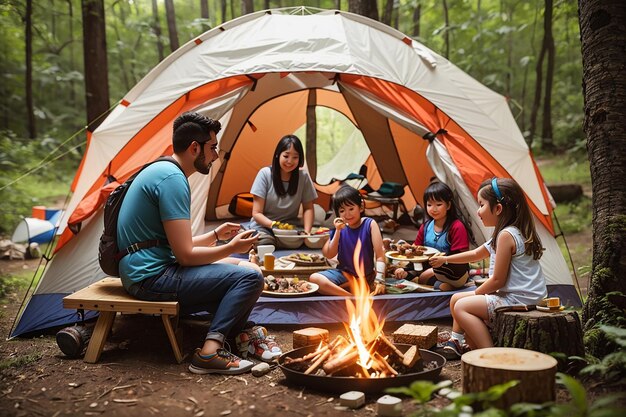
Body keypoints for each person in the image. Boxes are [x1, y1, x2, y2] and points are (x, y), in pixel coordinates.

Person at [118, 112, 282, 375]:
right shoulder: (173, 180)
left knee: (243, 269)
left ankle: (241, 337)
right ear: (195, 148)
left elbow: (174, 243)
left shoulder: (163, 169)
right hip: (151, 277)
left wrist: (217, 236)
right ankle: (209, 353)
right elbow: (185, 256)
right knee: (249, 279)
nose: (216, 155)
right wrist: (231, 247)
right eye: (213, 147)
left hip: (142, 270)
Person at [429, 177, 547, 359]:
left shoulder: (506, 236)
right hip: (524, 296)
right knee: (455, 299)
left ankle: (492, 355)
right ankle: (457, 342)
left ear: (498, 209)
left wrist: (478, 294)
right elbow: (476, 254)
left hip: (518, 300)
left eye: (481, 205)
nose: (478, 211)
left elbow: (497, 281)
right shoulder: (509, 231)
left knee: (461, 306)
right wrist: (445, 260)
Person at [309, 186, 386, 296]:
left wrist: (380, 279)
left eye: (351, 209)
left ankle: (348, 290)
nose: (347, 214)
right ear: (337, 214)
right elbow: (329, 254)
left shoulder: (369, 224)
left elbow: (380, 255)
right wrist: (338, 231)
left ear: (360, 207)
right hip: (344, 274)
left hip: (365, 275)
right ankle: (351, 298)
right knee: (314, 278)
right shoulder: (339, 229)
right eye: (342, 211)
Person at [393, 180, 470, 291]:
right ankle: (435, 283)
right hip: (428, 266)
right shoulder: (425, 227)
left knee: (424, 278)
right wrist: (405, 269)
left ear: (448, 205)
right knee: (406, 274)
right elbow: (416, 253)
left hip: (452, 269)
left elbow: (461, 258)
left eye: (438, 204)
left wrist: (437, 268)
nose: (433, 209)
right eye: (429, 205)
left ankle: (445, 285)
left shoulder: (457, 227)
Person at [248, 135, 318, 246]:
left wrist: (307, 233)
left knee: (315, 242)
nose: (290, 161)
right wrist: (275, 225)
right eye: (286, 156)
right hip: (265, 227)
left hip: (290, 228)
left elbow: (308, 208)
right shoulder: (265, 174)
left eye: (295, 157)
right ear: (277, 154)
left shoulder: (303, 177)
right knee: (265, 243)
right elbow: (256, 213)